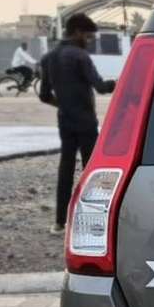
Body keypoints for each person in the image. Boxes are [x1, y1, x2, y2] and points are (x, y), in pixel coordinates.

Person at [39, 13, 115, 234]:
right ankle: (94, 220)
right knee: (92, 170)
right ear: (78, 32)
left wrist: (64, 104)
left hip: (65, 120)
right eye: (88, 37)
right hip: (86, 122)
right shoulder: (80, 57)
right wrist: (120, 83)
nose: (89, 42)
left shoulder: (49, 58)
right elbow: (100, 87)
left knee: (66, 168)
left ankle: (60, 222)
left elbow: (44, 96)